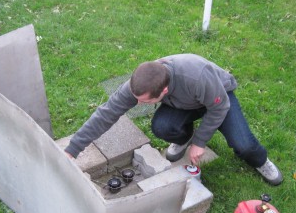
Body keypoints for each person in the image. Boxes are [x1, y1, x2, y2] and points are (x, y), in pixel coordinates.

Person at [64, 54, 283, 185]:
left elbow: (220, 106)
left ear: (165, 90)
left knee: (243, 145)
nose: (138, 104)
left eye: (145, 101)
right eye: (137, 99)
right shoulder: (138, 86)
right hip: (185, 103)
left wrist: (201, 143)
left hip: (218, 98)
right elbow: (106, 114)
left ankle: (261, 162)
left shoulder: (196, 76)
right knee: (162, 127)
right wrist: (72, 149)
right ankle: (183, 137)